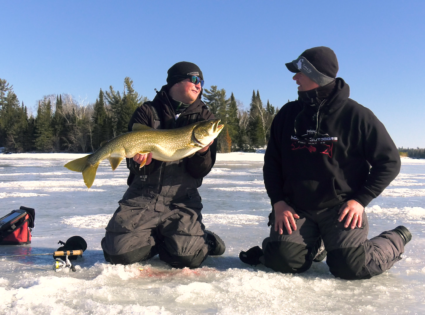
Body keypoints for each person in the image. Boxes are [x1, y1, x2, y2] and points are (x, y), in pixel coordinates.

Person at [239, 47, 411, 280]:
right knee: (282, 260)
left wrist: (360, 200)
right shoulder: (288, 115)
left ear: (316, 75)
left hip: (340, 209)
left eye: (300, 72)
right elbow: (272, 164)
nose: (294, 78)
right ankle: (315, 244)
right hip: (296, 207)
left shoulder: (357, 116)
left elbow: (389, 161)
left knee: (350, 266)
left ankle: (395, 239)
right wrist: (278, 202)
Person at [101, 61, 225, 268]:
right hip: (142, 195)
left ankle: (203, 240)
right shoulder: (147, 112)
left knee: (186, 258)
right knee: (117, 254)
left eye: (201, 81)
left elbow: (201, 170)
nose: (199, 85)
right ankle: (158, 236)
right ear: (176, 81)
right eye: (194, 79)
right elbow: (133, 164)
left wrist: (202, 151)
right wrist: (139, 161)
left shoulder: (205, 118)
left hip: (182, 197)